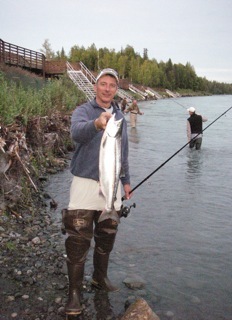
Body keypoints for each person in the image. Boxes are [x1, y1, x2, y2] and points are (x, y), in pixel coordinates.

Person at [62, 68, 132, 316]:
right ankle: (74, 294)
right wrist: (96, 124)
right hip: (84, 183)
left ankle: (99, 278)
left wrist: (126, 181)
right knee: (78, 240)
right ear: (95, 87)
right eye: (103, 84)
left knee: (106, 236)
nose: (107, 89)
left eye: (112, 85)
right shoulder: (83, 111)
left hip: (112, 185)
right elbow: (76, 133)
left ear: (116, 89)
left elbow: (122, 154)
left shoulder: (120, 116)